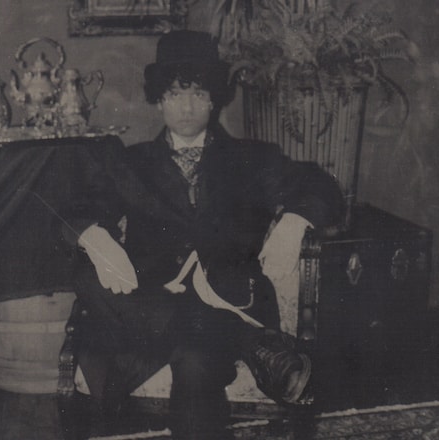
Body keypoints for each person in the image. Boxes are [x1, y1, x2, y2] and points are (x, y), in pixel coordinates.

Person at [61, 30, 345, 440]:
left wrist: (294, 221)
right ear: (159, 99)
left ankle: (225, 331)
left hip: (231, 296)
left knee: (195, 357)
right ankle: (250, 340)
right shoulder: (130, 162)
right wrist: (97, 238)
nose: (188, 106)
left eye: (198, 93)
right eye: (176, 94)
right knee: (88, 276)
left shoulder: (252, 158)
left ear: (214, 98)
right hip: (147, 302)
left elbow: (322, 187)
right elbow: (71, 211)